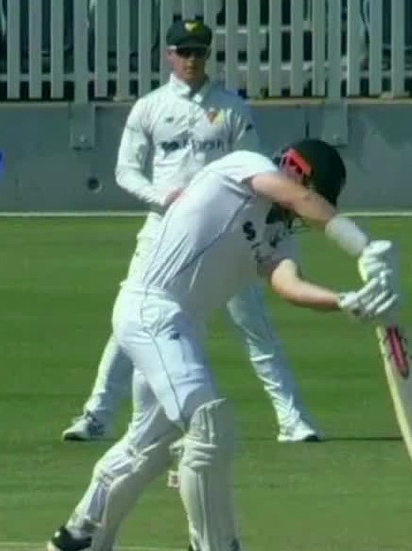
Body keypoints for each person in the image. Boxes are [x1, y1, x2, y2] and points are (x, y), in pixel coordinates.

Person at [46, 138, 401, 551]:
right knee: (208, 423)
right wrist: (363, 246)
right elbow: (301, 199)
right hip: (151, 310)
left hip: (181, 328)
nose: (303, 212)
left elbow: (289, 284)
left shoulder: (277, 233)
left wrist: (345, 301)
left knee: (150, 443)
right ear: (297, 170)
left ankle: (80, 537)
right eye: (314, 193)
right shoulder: (245, 166)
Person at [61, 16, 323, 445]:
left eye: (199, 52)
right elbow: (126, 171)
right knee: (134, 318)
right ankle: (97, 416)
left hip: (228, 233)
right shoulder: (150, 107)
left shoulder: (232, 107)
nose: (192, 60)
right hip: (164, 231)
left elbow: (255, 168)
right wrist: (162, 197)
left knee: (255, 325)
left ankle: (292, 420)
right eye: (184, 52)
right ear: (169, 55)